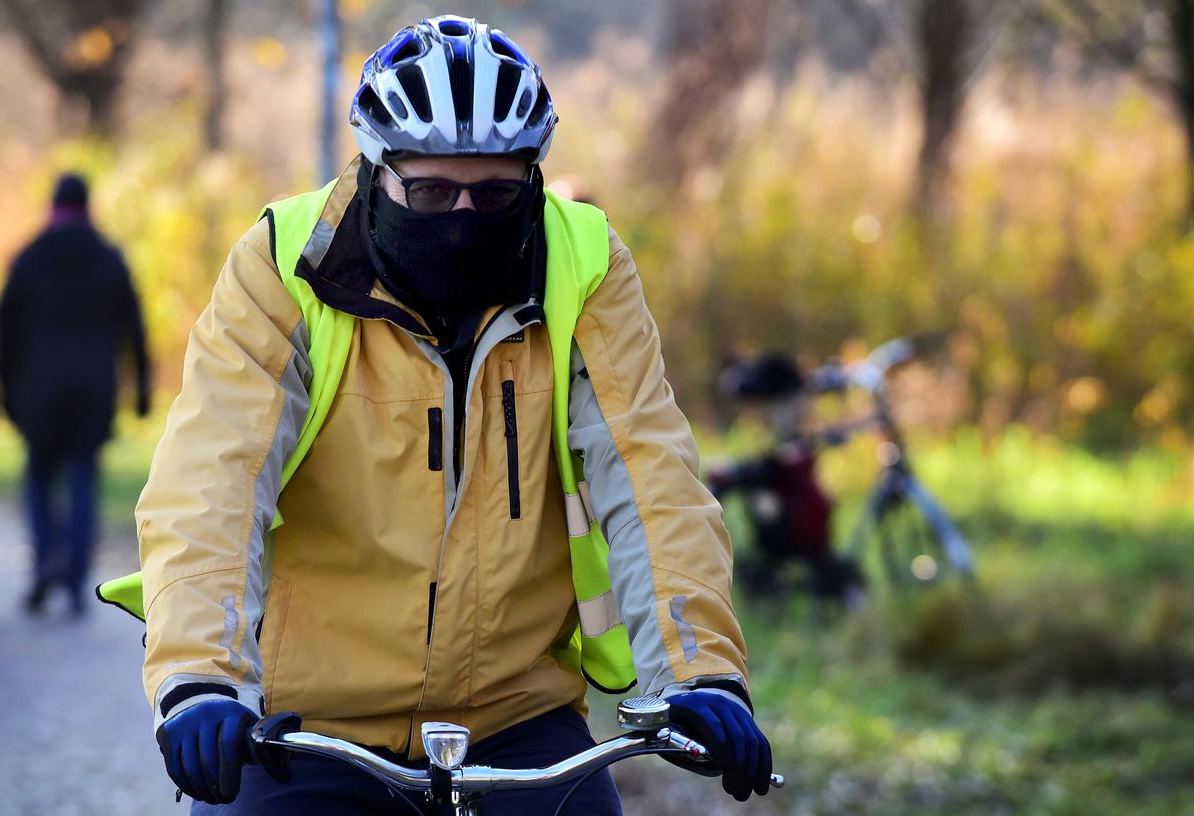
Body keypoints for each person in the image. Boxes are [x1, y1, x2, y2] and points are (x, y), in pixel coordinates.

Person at [134, 16, 772, 813]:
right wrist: (201, 681)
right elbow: (213, 480)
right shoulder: (282, 266)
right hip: (309, 726)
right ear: (377, 172)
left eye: (496, 194)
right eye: (432, 192)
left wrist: (701, 672)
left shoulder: (586, 264)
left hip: (515, 717)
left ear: (532, 181)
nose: (463, 217)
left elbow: (650, 476)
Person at [0, 173, 150, 618]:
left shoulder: (29, 258)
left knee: (40, 477)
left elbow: (5, 331)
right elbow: (134, 330)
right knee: (83, 477)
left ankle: (46, 558)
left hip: (39, 391)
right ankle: (78, 576)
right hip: (92, 391)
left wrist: (4, 391)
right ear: (88, 206)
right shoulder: (108, 258)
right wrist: (139, 391)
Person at [709, 352, 862, 602]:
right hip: (787, 527)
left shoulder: (791, 443)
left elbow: (774, 463)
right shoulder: (782, 441)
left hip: (796, 528)